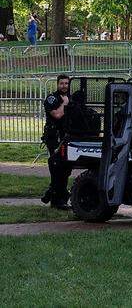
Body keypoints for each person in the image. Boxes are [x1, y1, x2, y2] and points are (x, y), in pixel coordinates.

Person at [41, 74, 73, 209]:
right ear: (57, 84)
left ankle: (54, 193)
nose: (64, 86)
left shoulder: (72, 97)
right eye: (62, 83)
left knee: (66, 168)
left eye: (66, 83)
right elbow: (57, 115)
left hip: (68, 136)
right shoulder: (52, 99)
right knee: (57, 166)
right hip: (54, 137)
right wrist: (65, 104)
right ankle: (56, 199)